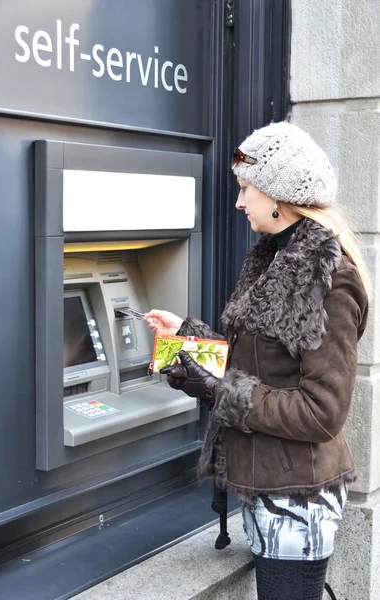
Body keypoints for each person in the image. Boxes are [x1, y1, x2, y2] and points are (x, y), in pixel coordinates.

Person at [145, 121, 369, 600]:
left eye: (245, 189)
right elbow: (255, 363)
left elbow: (322, 412)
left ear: (278, 195)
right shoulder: (273, 255)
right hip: (269, 488)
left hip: (297, 502)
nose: (239, 202)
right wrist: (183, 340)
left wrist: (218, 390)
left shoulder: (328, 277)